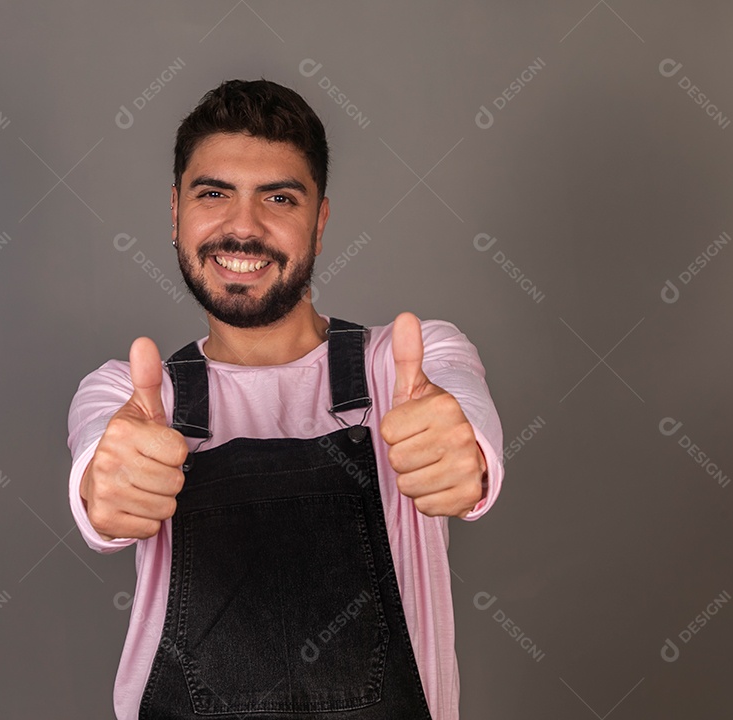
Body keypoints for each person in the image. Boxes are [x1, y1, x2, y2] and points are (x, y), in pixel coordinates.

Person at [67, 78, 504, 720]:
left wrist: (464, 454)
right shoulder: (131, 396)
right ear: (175, 213)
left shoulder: (411, 365)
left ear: (320, 222)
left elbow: (466, 435)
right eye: (213, 193)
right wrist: (106, 486)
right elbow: (101, 484)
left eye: (279, 198)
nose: (243, 228)